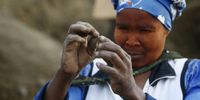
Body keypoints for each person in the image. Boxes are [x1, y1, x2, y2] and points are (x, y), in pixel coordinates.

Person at [34, 0, 200, 100]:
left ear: (166, 31)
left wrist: (132, 93)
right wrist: (65, 75)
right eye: (123, 27)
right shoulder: (91, 71)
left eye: (144, 30)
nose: (131, 40)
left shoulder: (190, 74)